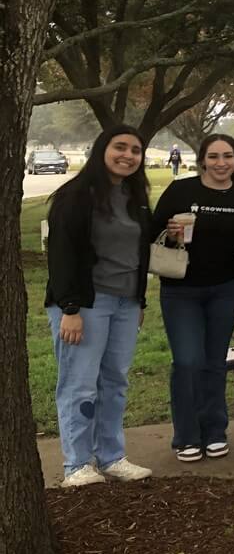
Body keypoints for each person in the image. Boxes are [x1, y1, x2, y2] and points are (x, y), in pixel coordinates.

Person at [44, 125, 154, 486]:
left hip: (125, 303)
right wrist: (71, 308)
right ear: (101, 150)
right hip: (86, 304)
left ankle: (110, 457)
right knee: (79, 385)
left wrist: (139, 300)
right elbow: (61, 255)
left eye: (135, 150)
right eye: (119, 147)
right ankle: (77, 465)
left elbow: (139, 253)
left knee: (115, 382)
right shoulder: (76, 195)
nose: (128, 155)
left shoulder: (135, 196)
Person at [152, 133, 234, 462]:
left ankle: (214, 430)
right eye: (213, 156)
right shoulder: (181, 190)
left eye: (228, 156)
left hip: (225, 288)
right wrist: (170, 236)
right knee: (187, 362)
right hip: (180, 290)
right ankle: (186, 435)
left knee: (214, 362)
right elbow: (152, 235)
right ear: (201, 160)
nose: (221, 163)